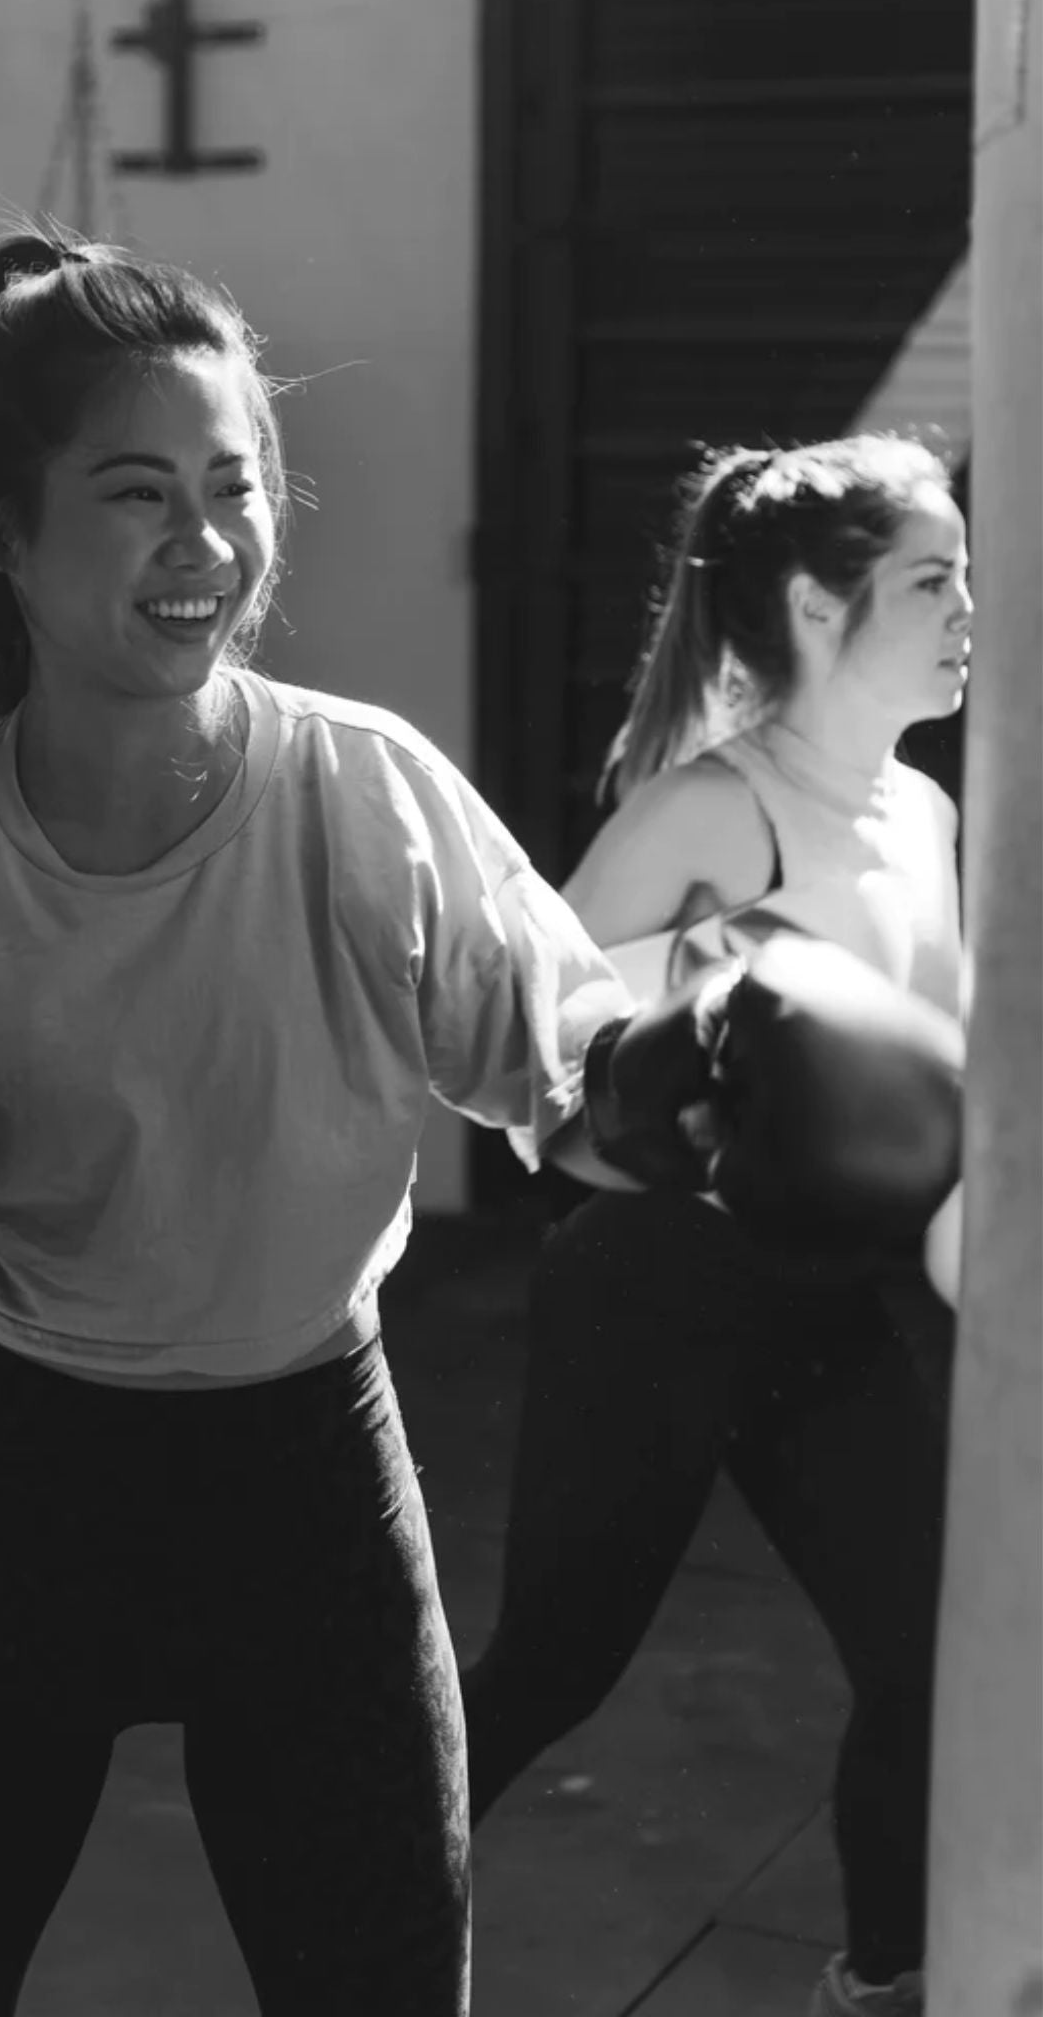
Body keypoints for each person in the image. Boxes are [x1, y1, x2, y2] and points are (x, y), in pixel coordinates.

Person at [0, 224, 639, 2016]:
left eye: (237, 490)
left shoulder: (365, 795)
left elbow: (569, 1057)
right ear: (3, 534)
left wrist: (684, 1089)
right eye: (140, 494)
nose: (208, 546)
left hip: (309, 1479)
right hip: (21, 1484)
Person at [462, 434, 972, 2017]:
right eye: (933, 579)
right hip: (663, 1294)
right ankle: (338, 1896)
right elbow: (534, 1075)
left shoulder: (924, 814)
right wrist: (694, 1112)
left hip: (840, 1303)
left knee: (933, 1669)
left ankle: (882, 1982)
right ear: (820, 608)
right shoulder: (705, 813)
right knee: (556, 1662)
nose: (974, 609)